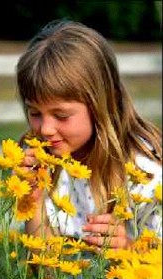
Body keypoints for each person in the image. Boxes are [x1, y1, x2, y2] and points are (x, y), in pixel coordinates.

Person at [15, 19, 162, 250]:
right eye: (35, 113)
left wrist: (130, 249)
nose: (45, 129)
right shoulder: (40, 161)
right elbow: (44, 269)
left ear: (101, 104)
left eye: (61, 116)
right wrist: (32, 202)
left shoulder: (144, 171)